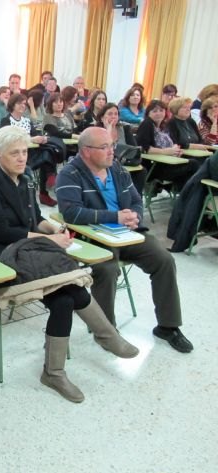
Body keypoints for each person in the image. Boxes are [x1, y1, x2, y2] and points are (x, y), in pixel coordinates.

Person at [0, 125, 138, 402]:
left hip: (27, 248)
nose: (22, 158)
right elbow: (1, 232)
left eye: (24, 152)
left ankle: (57, 370)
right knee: (67, 285)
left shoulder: (24, 181)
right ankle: (102, 338)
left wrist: (54, 229)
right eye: (15, 153)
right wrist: (48, 241)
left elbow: (36, 218)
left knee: (65, 299)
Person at [55, 127, 194, 353]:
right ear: (87, 151)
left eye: (112, 145)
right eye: (105, 147)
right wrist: (115, 216)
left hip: (125, 233)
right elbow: (71, 213)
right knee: (107, 270)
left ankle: (168, 326)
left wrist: (134, 216)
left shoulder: (117, 169)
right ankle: (107, 332)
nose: (112, 151)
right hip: (92, 238)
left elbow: (136, 200)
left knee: (163, 260)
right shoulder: (70, 174)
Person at [0, 93, 58, 206]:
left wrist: (41, 139)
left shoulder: (27, 121)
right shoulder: (6, 120)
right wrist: (31, 139)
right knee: (47, 157)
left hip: (31, 152)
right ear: (12, 104)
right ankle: (45, 190)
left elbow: (35, 135)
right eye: (19, 103)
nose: (23, 106)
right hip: (16, 155)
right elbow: (8, 139)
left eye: (24, 104)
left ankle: (46, 186)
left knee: (47, 152)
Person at [135, 100, 200, 189]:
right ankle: (184, 193)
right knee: (193, 164)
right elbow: (146, 149)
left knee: (194, 163)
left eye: (161, 110)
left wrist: (176, 150)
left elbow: (174, 143)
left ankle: (178, 191)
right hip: (155, 166)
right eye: (154, 111)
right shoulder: (147, 124)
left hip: (168, 161)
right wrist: (167, 151)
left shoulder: (164, 125)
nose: (158, 113)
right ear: (148, 113)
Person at [95, 102, 146, 194]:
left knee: (141, 171)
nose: (114, 116)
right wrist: (108, 130)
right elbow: (101, 151)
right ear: (102, 118)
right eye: (110, 114)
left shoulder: (125, 129)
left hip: (125, 161)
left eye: (116, 114)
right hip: (105, 163)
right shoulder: (96, 131)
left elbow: (134, 148)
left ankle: (136, 199)